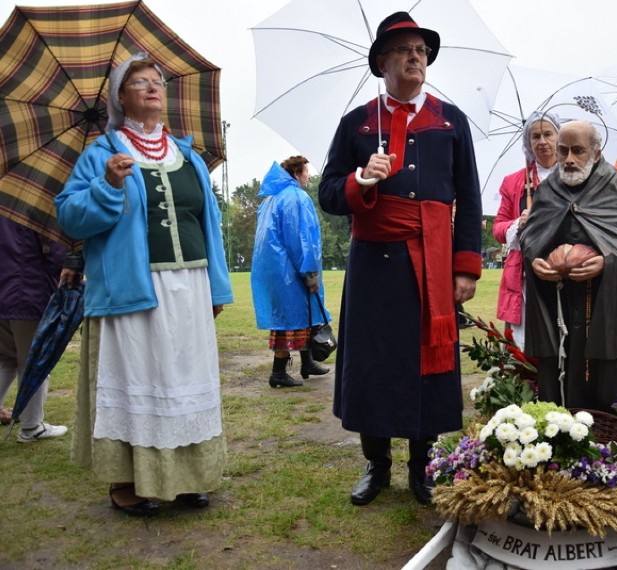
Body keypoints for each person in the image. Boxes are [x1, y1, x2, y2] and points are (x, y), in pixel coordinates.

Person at [55, 53, 233, 517]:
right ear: (121, 97)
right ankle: (127, 480)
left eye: (157, 81)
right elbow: (69, 215)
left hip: (189, 285)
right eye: (140, 83)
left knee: (186, 378)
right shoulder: (101, 153)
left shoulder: (188, 155)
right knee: (139, 377)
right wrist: (108, 186)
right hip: (132, 287)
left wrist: (215, 287)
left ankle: (189, 477)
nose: (153, 87)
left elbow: (207, 224)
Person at [318, 12, 482, 506]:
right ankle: (377, 464)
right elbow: (326, 193)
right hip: (373, 264)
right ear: (382, 62)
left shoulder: (451, 122)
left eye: (422, 50)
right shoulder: (357, 124)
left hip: (431, 262)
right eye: (405, 49)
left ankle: (422, 465)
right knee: (372, 363)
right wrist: (360, 180)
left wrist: (464, 267)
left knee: (424, 364)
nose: (416, 56)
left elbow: (469, 198)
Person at [521, 121, 617, 411]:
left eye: (578, 151)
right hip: (560, 300)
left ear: (596, 152)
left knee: (604, 377)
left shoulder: (614, 184)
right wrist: (536, 260)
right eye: (563, 151)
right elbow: (533, 236)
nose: (570, 160)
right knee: (561, 370)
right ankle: (560, 429)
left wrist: (607, 260)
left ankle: (609, 435)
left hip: (602, 300)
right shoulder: (550, 187)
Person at [251, 156, 331, 388]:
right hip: (290, 269)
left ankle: (308, 363)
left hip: (274, 270)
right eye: (306, 172)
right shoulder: (296, 197)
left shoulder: (270, 199)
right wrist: (310, 274)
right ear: (296, 174)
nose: (308, 176)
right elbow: (302, 239)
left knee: (300, 316)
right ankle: (278, 372)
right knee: (292, 319)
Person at [0, 217, 76, 440]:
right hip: (27, 292)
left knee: (7, 358)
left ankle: (31, 423)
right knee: (36, 359)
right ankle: (32, 426)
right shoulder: (32, 205)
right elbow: (55, 253)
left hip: (7, 290)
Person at [493, 111, 560, 350]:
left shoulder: (572, 176)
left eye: (548, 134)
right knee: (522, 350)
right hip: (523, 275)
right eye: (535, 136)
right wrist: (517, 224)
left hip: (562, 270)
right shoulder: (513, 182)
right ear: (528, 143)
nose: (542, 141)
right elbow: (498, 228)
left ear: (559, 137)